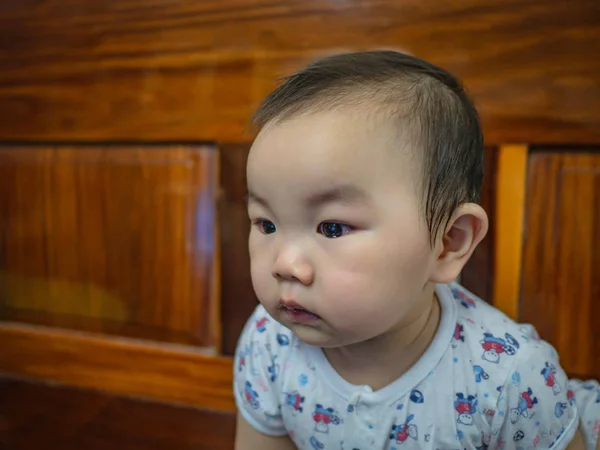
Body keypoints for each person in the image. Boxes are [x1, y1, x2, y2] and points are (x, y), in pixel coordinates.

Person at [233, 50, 599, 449]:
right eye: (266, 224)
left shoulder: (511, 380)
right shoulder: (269, 342)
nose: (285, 265)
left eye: (332, 228)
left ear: (448, 242)